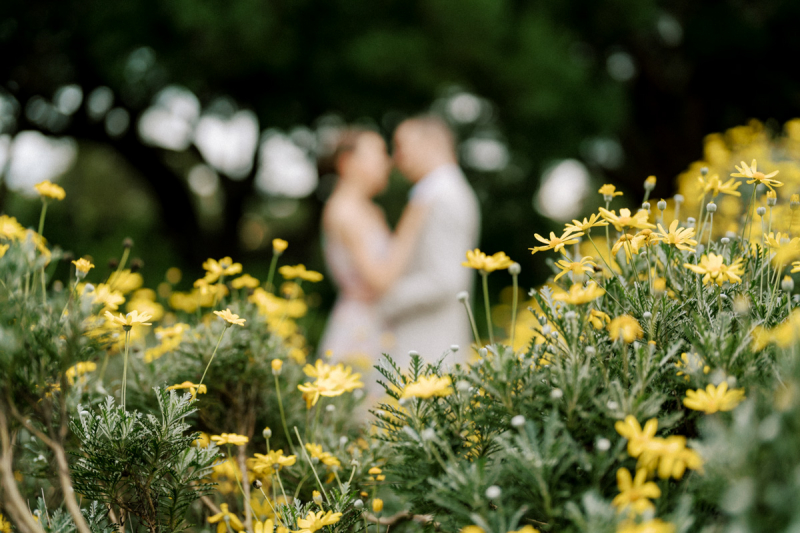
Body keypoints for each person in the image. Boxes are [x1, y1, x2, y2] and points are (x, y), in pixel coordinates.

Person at [318, 128, 430, 395]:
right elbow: (380, 280)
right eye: (378, 153)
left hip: (379, 324)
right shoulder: (344, 211)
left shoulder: (369, 209)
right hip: (358, 332)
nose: (387, 161)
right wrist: (413, 222)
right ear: (347, 162)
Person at [377, 115, 481, 370]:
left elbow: (444, 280)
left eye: (401, 146)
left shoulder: (443, 196)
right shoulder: (439, 193)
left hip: (429, 342)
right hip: (421, 335)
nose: (396, 157)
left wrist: (382, 302)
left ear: (431, 143)